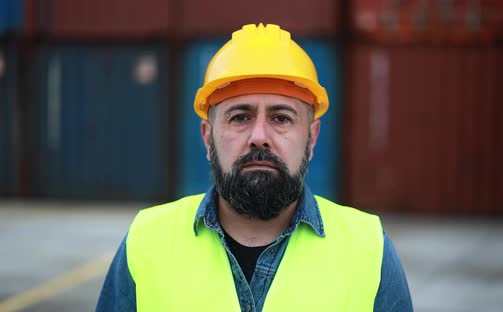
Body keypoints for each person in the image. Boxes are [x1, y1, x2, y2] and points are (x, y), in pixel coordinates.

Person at [97, 23, 412, 312]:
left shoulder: (369, 249)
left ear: (312, 138)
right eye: (240, 117)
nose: (259, 137)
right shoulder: (147, 241)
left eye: (281, 118)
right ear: (208, 137)